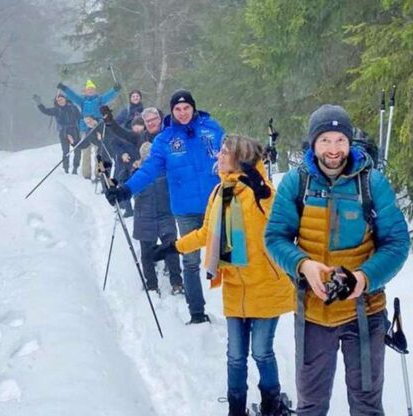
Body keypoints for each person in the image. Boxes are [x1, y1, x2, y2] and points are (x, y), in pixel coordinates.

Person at [263, 105, 410, 416]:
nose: (333, 149)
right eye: (325, 140)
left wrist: (363, 278)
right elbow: (274, 237)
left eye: (339, 140)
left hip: (365, 312)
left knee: (367, 406)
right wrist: (303, 264)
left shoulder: (373, 183)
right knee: (311, 405)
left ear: (349, 142)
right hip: (313, 311)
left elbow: (397, 243)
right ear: (314, 143)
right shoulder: (296, 182)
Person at [152, 135, 293, 415]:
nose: (219, 155)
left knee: (262, 352)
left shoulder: (262, 192)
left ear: (241, 158)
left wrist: (262, 190)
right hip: (235, 285)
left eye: (226, 152)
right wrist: (173, 248)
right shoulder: (220, 192)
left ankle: (272, 405)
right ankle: (236, 408)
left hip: (265, 284)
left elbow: (283, 229)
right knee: (236, 357)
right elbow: (208, 232)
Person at [105, 89, 225, 325]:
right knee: (190, 260)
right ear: (171, 112)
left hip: (217, 204)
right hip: (186, 210)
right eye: (177, 109)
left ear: (194, 107)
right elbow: (149, 170)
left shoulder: (212, 129)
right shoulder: (165, 140)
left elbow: (234, 156)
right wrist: (126, 190)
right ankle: (197, 312)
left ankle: (237, 311)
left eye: (186, 108)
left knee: (228, 256)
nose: (182, 113)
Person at [131, 141, 184, 295]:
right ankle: (162, 284)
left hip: (160, 217)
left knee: (164, 251)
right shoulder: (138, 174)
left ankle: (164, 284)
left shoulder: (164, 171)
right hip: (148, 219)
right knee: (157, 252)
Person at [58, 79, 121, 179]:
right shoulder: (83, 100)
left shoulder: (100, 99)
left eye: (92, 89)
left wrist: (115, 89)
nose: (90, 91)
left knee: (99, 151)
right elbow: (73, 96)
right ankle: (86, 173)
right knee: (86, 151)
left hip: (98, 127)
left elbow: (109, 95)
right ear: (86, 91)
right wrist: (64, 88)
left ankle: (98, 173)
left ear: (95, 90)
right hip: (86, 128)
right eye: (88, 89)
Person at [32, 93, 81, 174]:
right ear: (56, 102)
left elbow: (80, 118)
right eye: (58, 100)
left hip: (74, 130)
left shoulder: (73, 108)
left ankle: (75, 167)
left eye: (61, 99)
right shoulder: (56, 110)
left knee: (77, 150)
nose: (60, 101)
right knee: (65, 151)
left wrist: (82, 127)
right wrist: (39, 103)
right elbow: (45, 111)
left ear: (65, 99)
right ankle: (66, 168)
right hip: (63, 132)